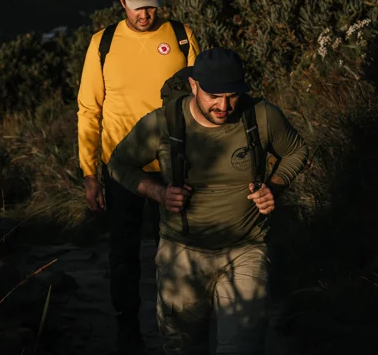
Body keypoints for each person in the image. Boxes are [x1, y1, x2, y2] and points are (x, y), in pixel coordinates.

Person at [108, 48, 311, 355]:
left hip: (247, 249)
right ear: (194, 86)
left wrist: (274, 186)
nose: (223, 106)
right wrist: (159, 192)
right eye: (214, 96)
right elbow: (118, 164)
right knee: (184, 347)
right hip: (182, 252)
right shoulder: (162, 123)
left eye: (232, 96)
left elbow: (296, 151)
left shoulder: (261, 116)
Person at [77, 0, 201, 352]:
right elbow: (89, 109)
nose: (144, 15)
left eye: (150, 7)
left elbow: (203, 98)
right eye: (136, 7)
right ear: (121, 3)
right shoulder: (103, 43)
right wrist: (89, 172)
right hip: (120, 169)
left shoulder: (181, 36)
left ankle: (181, 326)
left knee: (179, 251)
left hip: (174, 165)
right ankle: (127, 327)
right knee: (125, 253)